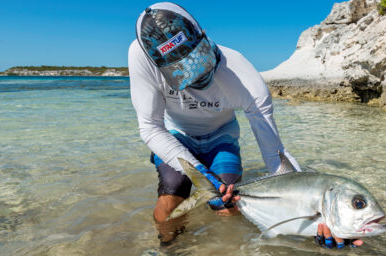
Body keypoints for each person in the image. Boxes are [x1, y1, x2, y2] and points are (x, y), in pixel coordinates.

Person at [128, 2, 362, 248]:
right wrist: (200, 172)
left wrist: (323, 217)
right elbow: (151, 126)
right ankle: (168, 249)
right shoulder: (140, 56)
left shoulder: (243, 76)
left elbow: (275, 156)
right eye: (181, 73)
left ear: (204, 36)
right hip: (176, 134)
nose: (198, 78)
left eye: (201, 62)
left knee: (228, 207)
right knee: (172, 194)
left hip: (221, 136)